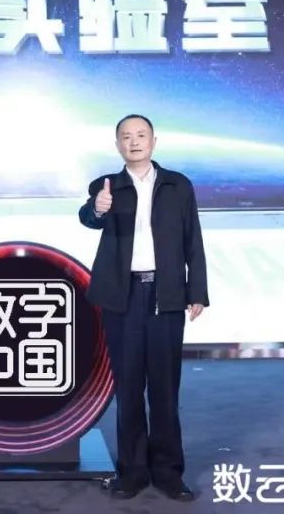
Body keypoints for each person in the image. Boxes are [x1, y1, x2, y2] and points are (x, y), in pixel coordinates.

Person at [78, 114, 209, 501]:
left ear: (154, 141)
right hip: (123, 297)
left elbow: (193, 239)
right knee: (129, 387)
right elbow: (88, 217)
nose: (133, 142)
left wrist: (197, 291)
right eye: (126, 136)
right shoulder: (107, 186)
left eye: (140, 135)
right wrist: (98, 208)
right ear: (117, 144)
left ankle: (168, 472)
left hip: (166, 295)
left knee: (165, 389)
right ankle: (132, 472)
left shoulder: (177, 185)